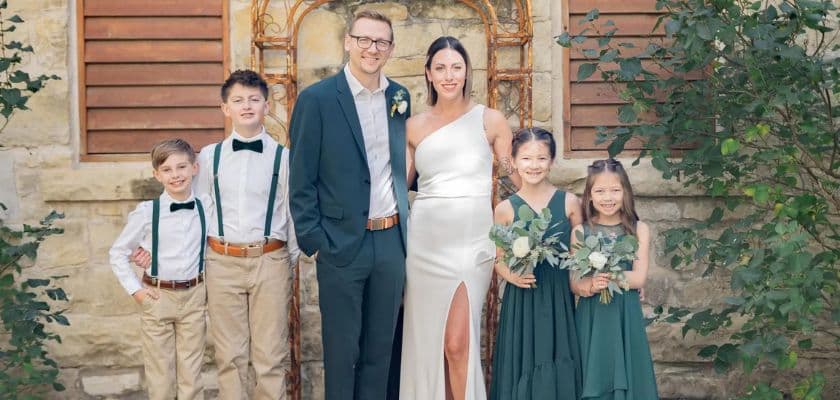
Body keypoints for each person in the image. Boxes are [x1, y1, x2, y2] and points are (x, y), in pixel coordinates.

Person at [288, 10, 411, 400]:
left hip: (390, 241)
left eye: (381, 42)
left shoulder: (399, 97)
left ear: (390, 49)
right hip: (340, 243)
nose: (371, 49)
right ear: (348, 42)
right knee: (342, 352)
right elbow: (301, 178)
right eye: (364, 39)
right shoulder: (317, 99)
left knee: (381, 350)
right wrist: (316, 240)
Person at [400, 36, 520, 400]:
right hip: (424, 244)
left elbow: (515, 178)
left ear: (467, 71)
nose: (449, 76)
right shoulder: (413, 126)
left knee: (456, 343)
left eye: (456, 67)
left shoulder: (491, 120)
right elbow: (396, 190)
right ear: (428, 74)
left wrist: (559, 206)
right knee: (430, 345)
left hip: (471, 242)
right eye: (440, 68)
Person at [109, 139, 209, 400]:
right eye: (167, 169)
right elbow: (118, 253)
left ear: (194, 168)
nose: (175, 175)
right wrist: (136, 291)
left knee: (192, 373)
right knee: (160, 374)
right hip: (158, 296)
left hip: (195, 296)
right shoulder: (146, 212)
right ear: (156, 174)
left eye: (181, 167)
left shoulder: (207, 207)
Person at [489, 128, 583, 399]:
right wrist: (512, 275)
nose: (534, 165)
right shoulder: (505, 208)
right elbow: (498, 258)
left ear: (552, 161)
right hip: (523, 297)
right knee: (523, 359)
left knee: (558, 355)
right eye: (527, 159)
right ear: (515, 162)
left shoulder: (569, 203)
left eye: (541, 158)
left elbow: (580, 255)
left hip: (557, 297)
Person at [570, 159, 659, 400]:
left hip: (624, 313)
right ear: (589, 196)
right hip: (592, 314)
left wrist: (609, 276)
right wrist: (590, 284)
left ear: (626, 193)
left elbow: (639, 277)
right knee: (594, 371)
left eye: (615, 190)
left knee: (629, 372)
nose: (607, 197)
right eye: (599, 191)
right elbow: (575, 282)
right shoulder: (580, 232)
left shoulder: (638, 229)